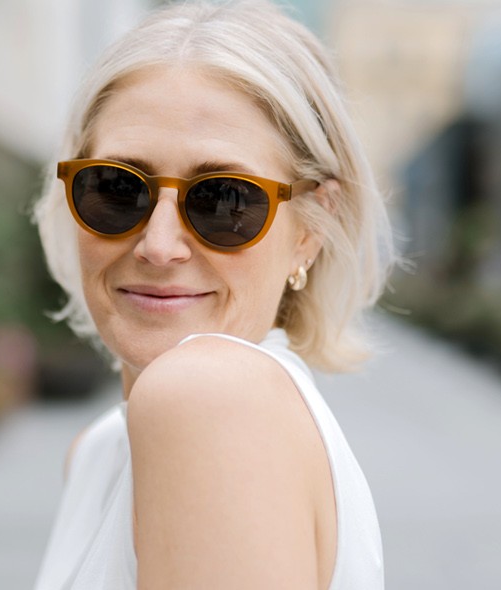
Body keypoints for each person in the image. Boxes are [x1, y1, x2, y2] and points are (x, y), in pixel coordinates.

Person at [30, 2, 394, 589]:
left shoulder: (208, 400)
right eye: (117, 188)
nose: (159, 245)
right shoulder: (99, 451)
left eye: (223, 199)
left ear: (309, 228)